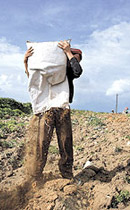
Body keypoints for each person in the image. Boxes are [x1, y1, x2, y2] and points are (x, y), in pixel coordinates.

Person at [24, 40, 83, 179]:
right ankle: (35, 176)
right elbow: (33, 79)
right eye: (73, 57)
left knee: (65, 144)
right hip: (45, 110)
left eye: (76, 58)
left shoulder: (69, 71)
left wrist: (69, 53)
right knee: (41, 144)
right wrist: (26, 62)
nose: (74, 60)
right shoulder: (51, 70)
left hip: (62, 110)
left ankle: (67, 175)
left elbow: (78, 70)